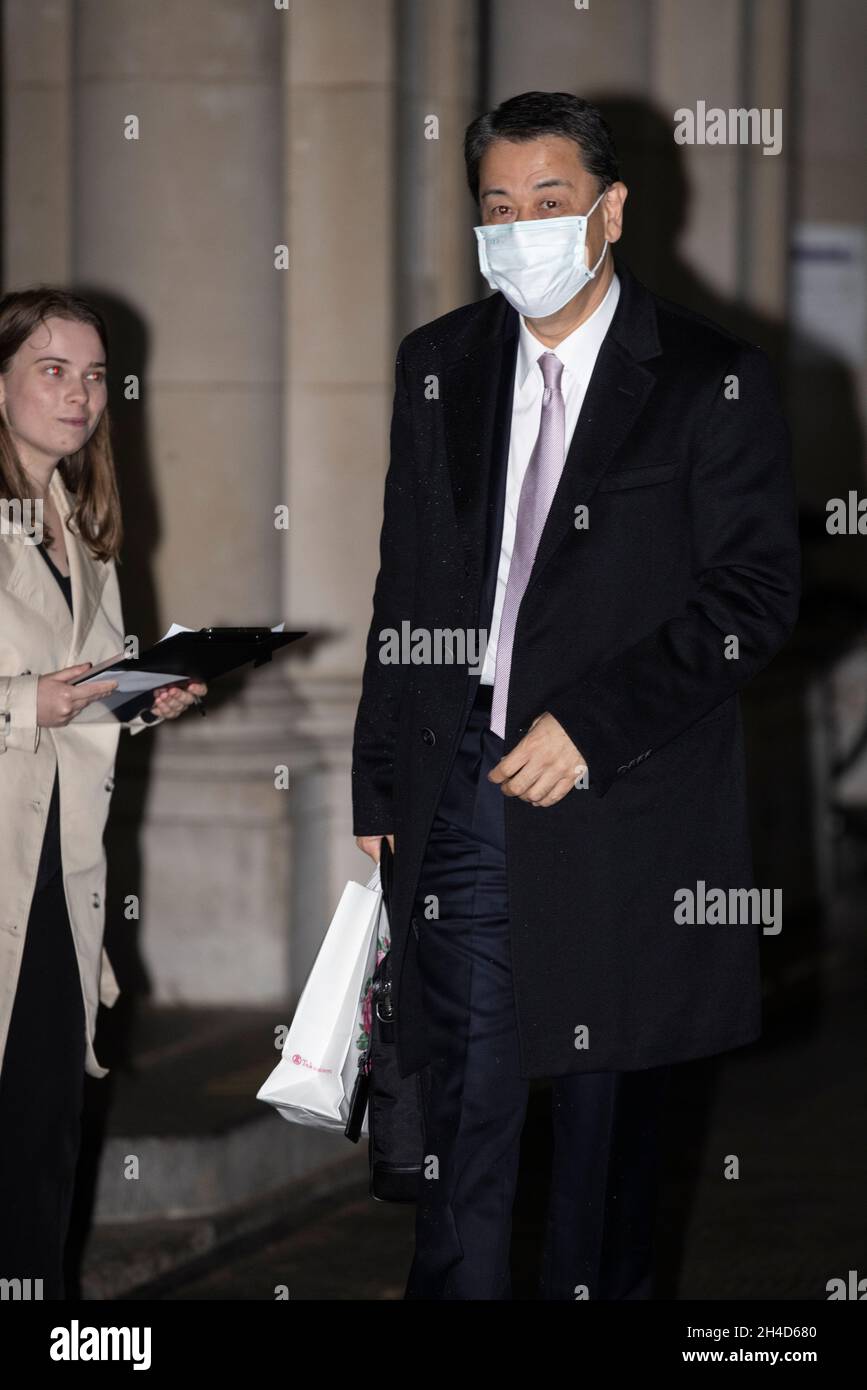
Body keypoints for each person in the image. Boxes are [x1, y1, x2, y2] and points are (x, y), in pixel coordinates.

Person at [352, 91, 800, 1299]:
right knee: (464, 1127)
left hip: (621, 817)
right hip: (462, 796)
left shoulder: (711, 377)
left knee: (600, 1160)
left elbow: (752, 598)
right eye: (497, 207)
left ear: (610, 211)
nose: (521, 228)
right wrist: (381, 780)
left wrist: (590, 727)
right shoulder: (439, 365)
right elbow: (405, 582)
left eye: (548, 202)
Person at [0, 287, 208, 1299]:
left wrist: (138, 696)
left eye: (93, 375)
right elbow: (32, 699)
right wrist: (18, 704)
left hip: (56, 867)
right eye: (52, 370)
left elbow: (76, 690)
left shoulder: (75, 523)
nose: (79, 395)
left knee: (43, 1126)